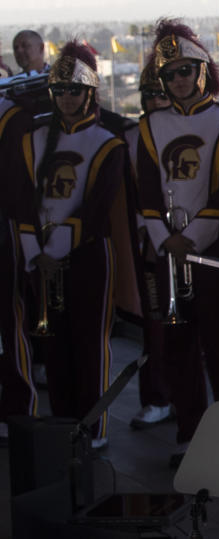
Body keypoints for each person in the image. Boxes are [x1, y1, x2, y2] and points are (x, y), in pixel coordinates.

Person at [15, 40, 125, 449]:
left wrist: (52, 251)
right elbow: (21, 199)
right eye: (58, 90)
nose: (65, 97)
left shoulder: (108, 142)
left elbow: (96, 209)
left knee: (89, 343)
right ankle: (63, 425)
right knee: (54, 346)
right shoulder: (33, 139)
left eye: (74, 90)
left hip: (87, 253)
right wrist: (35, 253)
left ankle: (93, 428)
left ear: (90, 93)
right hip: (41, 257)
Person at [138, 20, 219, 466]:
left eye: (186, 70)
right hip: (168, 252)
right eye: (170, 73)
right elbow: (146, 191)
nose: (178, 80)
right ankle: (190, 432)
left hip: (211, 251)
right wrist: (167, 240)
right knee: (177, 346)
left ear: (203, 71)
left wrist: (192, 238)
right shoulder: (149, 125)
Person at [125, 62, 173, 430]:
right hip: (150, 246)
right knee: (154, 326)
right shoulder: (128, 136)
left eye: (161, 92)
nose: (155, 100)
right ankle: (156, 396)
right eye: (149, 95)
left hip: (195, 242)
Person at [0, 77, 39, 441]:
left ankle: (19, 407)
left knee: (10, 317)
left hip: (4, 224)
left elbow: (18, 184)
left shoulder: (12, 117)